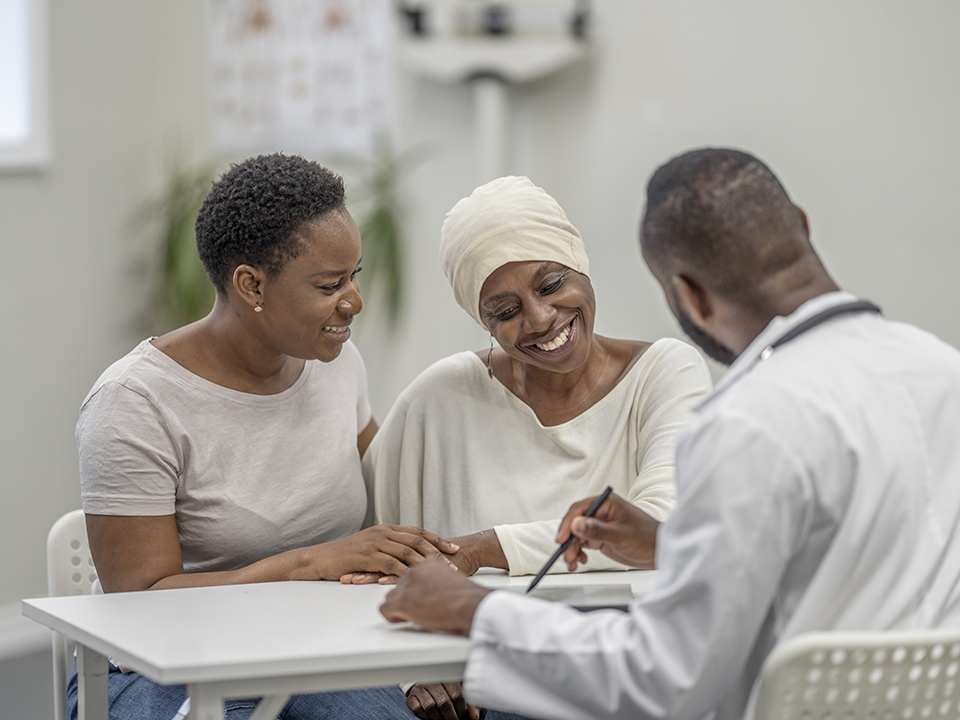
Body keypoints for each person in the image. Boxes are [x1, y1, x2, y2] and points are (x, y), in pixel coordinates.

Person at [379, 148, 960, 720]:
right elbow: (837, 550)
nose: (539, 318)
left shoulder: (747, 422)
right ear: (802, 226)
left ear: (687, 295)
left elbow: (664, 679)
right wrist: (670, 544)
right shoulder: (943, 370)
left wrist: (476, 613)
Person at [72, 153, 458, 720]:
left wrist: (415, 661)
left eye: (355, 274)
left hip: (310, 648)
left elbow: (389, 495)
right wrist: (309, 564)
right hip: (160, 668)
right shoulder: (134, 403)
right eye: (330, 284)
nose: (354, 300)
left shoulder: (337, 362)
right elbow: (139, 607)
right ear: (251, 284)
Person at [359, 176, 711, 719]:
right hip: (482, 689)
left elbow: (660, 527)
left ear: (579, 263)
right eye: (506, 310)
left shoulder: (665, 373)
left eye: (550, 286)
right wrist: (415, 670)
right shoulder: (439, 398)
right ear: (485, 324)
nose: (541, 319)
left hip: (621, 680)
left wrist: (480, 549)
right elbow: (384, 559)